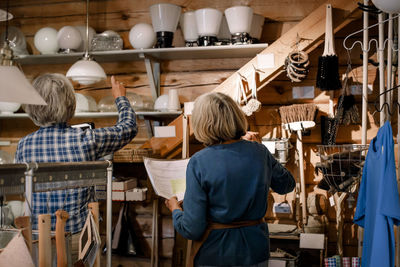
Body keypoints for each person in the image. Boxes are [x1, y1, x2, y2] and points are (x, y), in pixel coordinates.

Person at [15, 73, 137, 261]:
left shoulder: (23, 145)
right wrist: (120, 97)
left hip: (36, 240)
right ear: (70, 105)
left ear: (32, 107)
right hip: (76, 240)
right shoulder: (85, 139)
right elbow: (128, 127)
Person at [165, 92, 295, 267]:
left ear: (202, 123)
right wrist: (260, 149)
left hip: (215, 254)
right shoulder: (260, 152)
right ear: (235, 117)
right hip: (256, 251)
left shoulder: (199, 161)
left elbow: (192, 228)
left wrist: (175, 210)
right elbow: (286, 185)